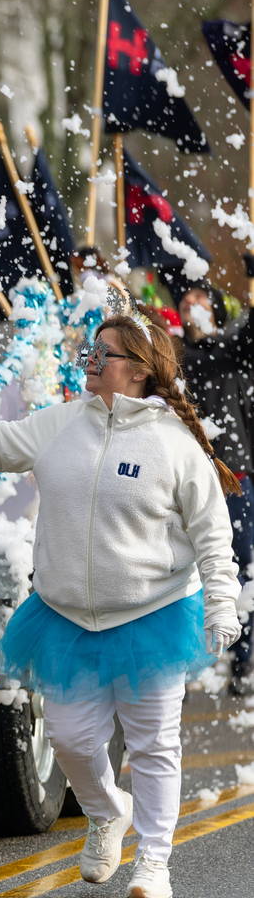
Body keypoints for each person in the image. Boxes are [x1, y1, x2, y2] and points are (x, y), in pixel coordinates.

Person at [0, 316, 241, 898]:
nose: (91, 359)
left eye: (105, 353)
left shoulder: (174, 444)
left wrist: (221, 603)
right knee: (70, 742)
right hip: (65, 618)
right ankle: (109, 812)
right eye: (92, 349)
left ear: (138, 371)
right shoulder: (61, 422)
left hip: (154, 616)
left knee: (154, 745)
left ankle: (155, 864)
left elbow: (214, 534)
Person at [177, 281, 254, 694]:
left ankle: (242, 660)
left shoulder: (232, 349)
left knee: (240, 568)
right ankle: (191, 665)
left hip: (235, 478)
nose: (192, 302)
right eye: (185, 298)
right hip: (188, 479)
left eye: (200, 296)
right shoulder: (174, 355)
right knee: (187, 568)